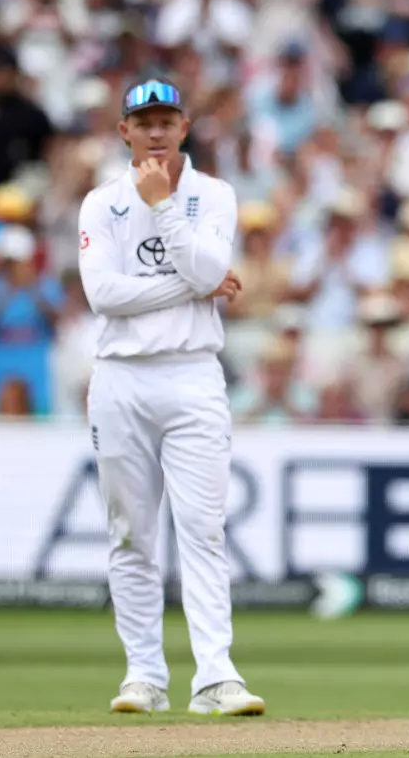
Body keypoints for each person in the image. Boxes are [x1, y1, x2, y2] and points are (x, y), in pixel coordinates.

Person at [77, 78, 264, 717]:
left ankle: (215, 677)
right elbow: (103, 296)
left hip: (192, 375)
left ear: (185, 126)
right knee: (131, 533)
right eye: (143, 121)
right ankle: (143, 676)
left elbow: (212, 274)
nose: (155, 131)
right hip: (121, 376)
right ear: (124, 129)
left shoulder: (214, 194)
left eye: (166, 120)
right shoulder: (100, 203)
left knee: (203, 530)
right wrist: (191, 286)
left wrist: (163, 214)